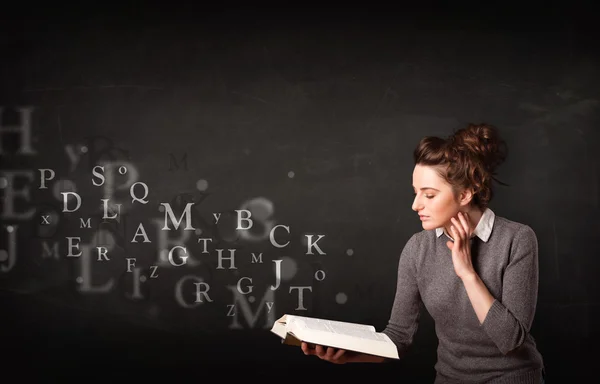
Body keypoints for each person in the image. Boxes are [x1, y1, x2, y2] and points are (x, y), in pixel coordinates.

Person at [301, 123, 546, 383]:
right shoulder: (417, 249)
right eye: (416, 192)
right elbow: (398, 337)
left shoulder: (517, 239)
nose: (416, 205)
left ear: (464, 193)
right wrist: (349, 356)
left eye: (429, 195)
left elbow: (511, 340)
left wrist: (467, 273)